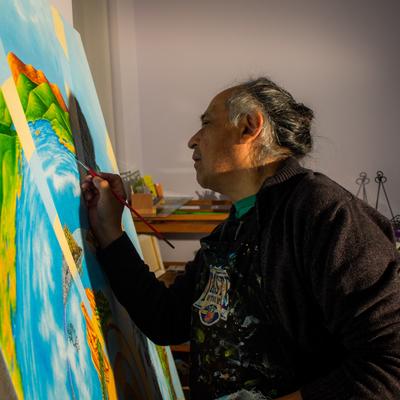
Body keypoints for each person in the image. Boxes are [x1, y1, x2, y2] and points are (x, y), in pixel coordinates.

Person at [81, 77, 400, 400]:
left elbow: (390, 362)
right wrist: (110, 231)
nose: (192, 141)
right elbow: (166, 319)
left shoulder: (323, 212)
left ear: (249, 126)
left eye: (206, 123)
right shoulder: (232, 231)